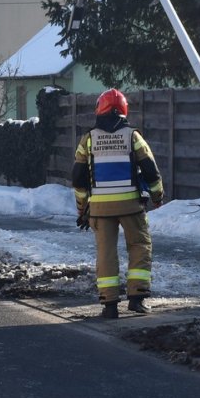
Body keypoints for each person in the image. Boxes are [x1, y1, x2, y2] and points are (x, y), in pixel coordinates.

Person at [72, 88, 164, 319]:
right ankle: (137, 300)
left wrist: (82, 208)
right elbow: (151, 171)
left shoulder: (88, 139)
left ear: (99, 109)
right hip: (132, 206)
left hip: (100, 209)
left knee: (106, 252)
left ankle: (109, 305)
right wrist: (157, 197)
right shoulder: (133, 136)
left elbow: (78, 179)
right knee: (140, 246)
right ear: (123, 110)